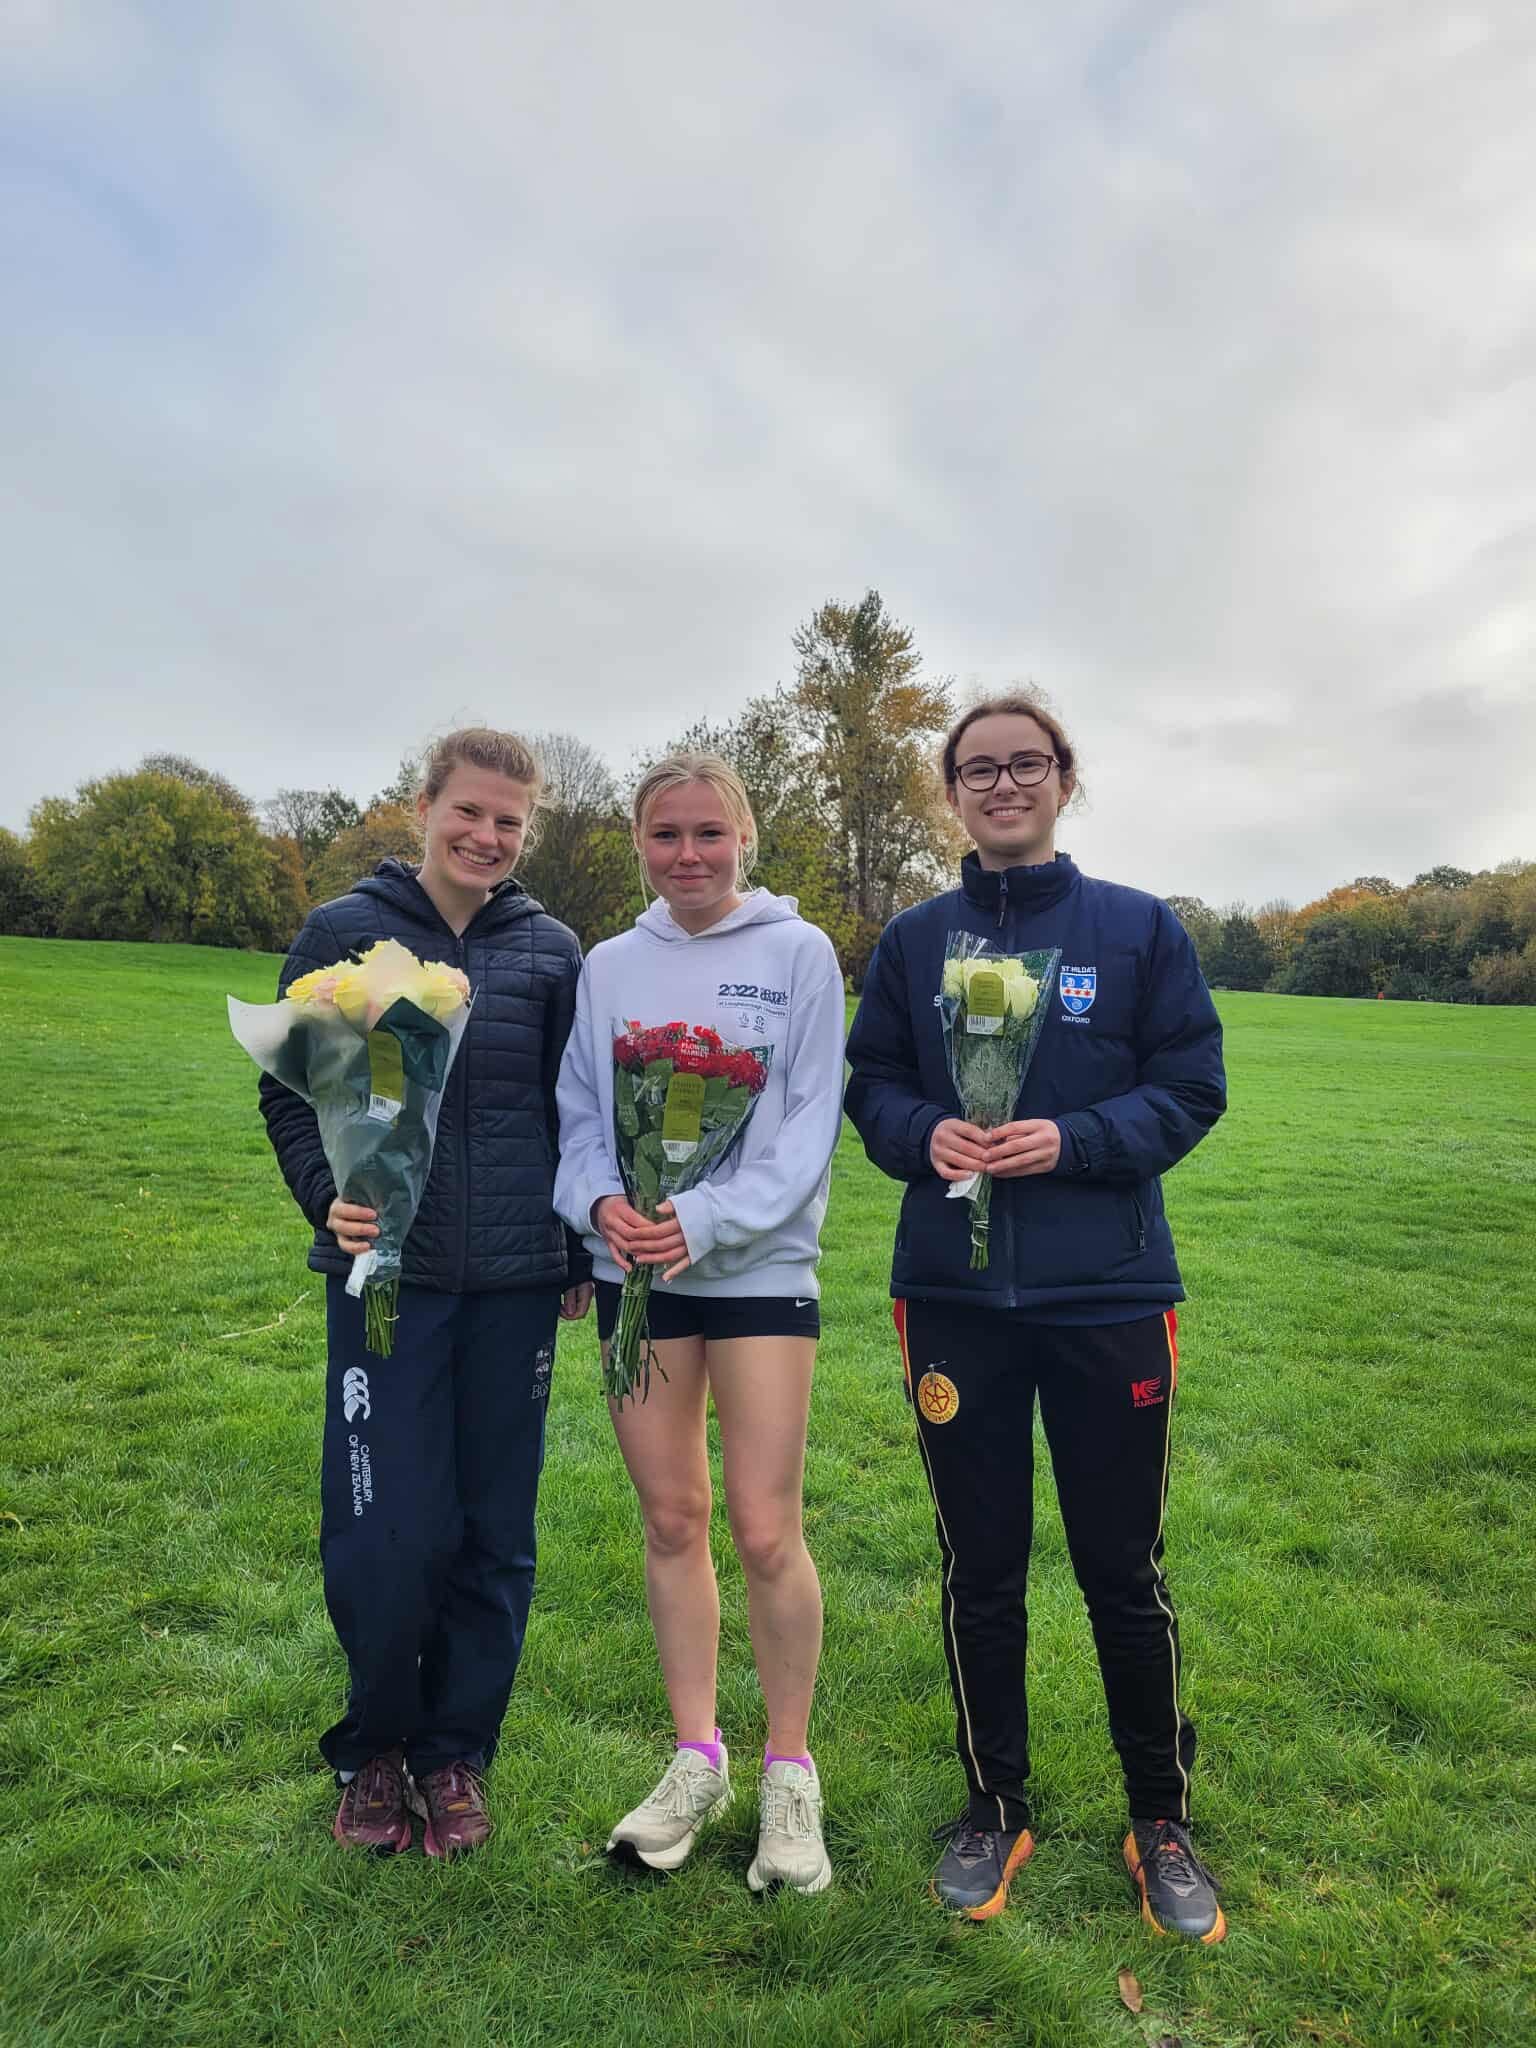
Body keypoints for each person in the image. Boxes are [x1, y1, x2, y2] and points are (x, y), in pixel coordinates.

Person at [844, 691, 1229, 1939]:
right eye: (976, 769)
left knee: (1125, 1569)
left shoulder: (1137, 929)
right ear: (949, 791)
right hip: (954, 1304)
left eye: (1025, 764)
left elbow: (1192, 1087)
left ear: (1065, 778)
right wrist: (923, 1133)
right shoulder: (914, 939)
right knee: (982, 1567)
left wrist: (1069, 1138)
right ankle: (994, 1803)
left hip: (1109, 1296)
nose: (1001, 784)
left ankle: (1159, 1813)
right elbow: (874, 1087)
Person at [260, 727, 592, 1857]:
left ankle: (456, 1754)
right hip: (385, 1276)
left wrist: (580, 1254)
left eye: (509, 820)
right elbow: (291, 1096)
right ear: (425, 807)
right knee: (383, 1526)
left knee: (494, 1528)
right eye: (470, 812)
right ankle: (374, 1750)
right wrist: (327, 1197)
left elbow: (578, 1112)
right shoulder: (344, 933)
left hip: (513, 1282)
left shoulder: (551, 949)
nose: (487, 836)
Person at [554, 754, 845, 1893]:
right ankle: (695, 1758)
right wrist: (599, 1206)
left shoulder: (799, 951)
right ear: (638, 841)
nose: (688, 854)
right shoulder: (610, 962)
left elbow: (808, 1123)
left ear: (746, 838)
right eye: (666, 834)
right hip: (641, 1276)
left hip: (759, 1268)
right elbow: (580, 1109)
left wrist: (709, 1217)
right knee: (672, 1516)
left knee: (765, 1527)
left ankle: (788, 1772)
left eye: (708, 834)